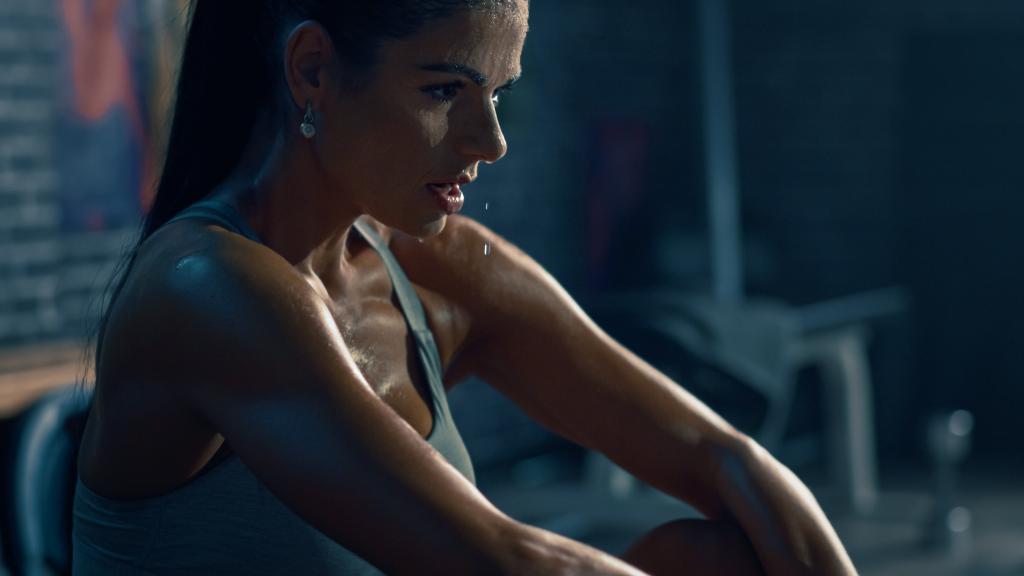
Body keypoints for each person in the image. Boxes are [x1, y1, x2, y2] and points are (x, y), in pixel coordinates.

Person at [72, 1, 857, 574]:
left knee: (730, 558)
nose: (492, 141)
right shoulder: (204, 288)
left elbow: (725, 459)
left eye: (498, 91)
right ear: (312, 69)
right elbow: (501, 563)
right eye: (445, 91)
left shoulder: (432, 270)